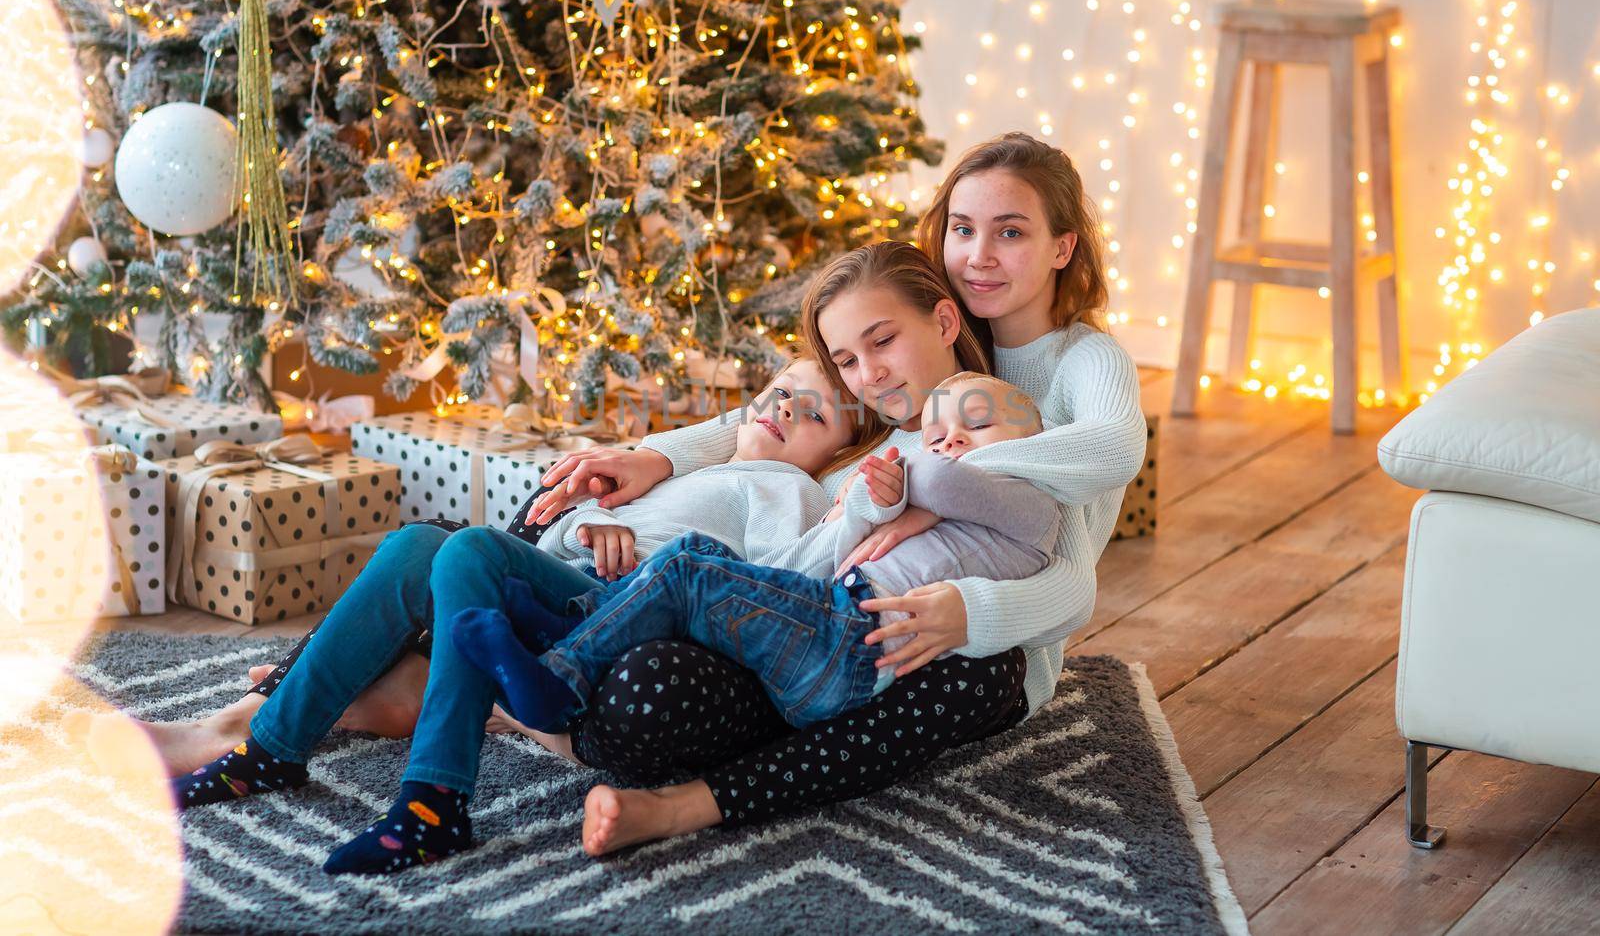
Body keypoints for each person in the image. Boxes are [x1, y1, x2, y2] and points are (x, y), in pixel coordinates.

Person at [135, 131, 1146, 862]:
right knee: (448, 556)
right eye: (962, 228)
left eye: (1009, 231)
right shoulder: (904, 352)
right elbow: (775, 421)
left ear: (1063, 243)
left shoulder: (1064, 372)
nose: (979, 254)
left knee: (636, 678)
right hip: (755, 599)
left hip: (953, 639)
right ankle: (278, 724)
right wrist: (652, 456)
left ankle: (406, 706)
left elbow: (1078, 535)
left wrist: (955, 524)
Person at [163, 358, 879, 876]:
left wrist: (641, 566)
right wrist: (598, 523)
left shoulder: (794, 494)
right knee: (418, 545)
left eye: (812, 411)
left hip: (629, 621)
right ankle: (273, 748)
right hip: (571, 584)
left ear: (840, 451)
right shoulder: (685, 462)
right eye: (780, 391)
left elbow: (761, 597)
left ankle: (432, 803)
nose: (784, 408)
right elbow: (571, 529)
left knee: (469, 548)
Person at [459, 372, 1059, 734]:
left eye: (977, 426)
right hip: (827, 623)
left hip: (848, 650)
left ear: (1031, 447)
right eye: (936, 432)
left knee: (693, 567)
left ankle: (557, 682)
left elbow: (946, 480)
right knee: (692, 561)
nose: (950, 439)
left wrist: (900, 472)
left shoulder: (1031, 504)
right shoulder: (951, 500)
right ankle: (571, 625)